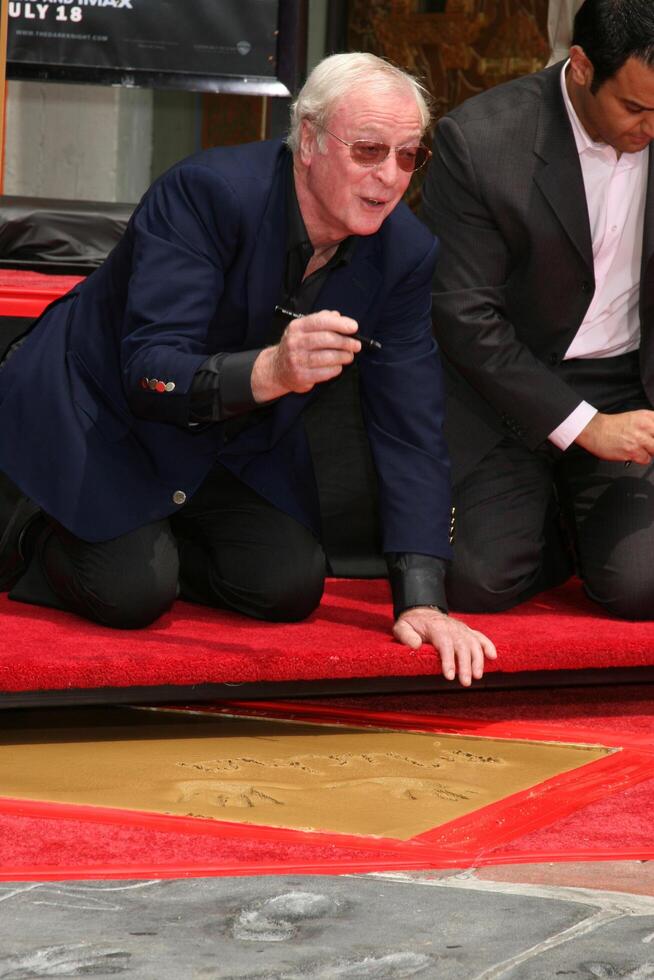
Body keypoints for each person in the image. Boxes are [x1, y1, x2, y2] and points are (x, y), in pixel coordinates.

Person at [0, 53, 496, 685]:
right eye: (369, 151)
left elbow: (411, 422)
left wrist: (423, 595)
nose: (391, 177)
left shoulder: (405, 252)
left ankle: (150, 534)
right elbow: (149, 366)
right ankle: (38, 528)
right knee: (132, 593)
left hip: (228, 443)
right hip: (103, 410)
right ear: (310, 140)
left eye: (408, 155)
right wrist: (270, 373)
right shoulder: (208, 193)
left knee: (287, 585)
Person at [419, 0, 654, 620]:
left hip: (627, 382)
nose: (651, 126)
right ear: (580, 67)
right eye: (634, 108)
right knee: (478, 584)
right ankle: (558, 521)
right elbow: (463, 317)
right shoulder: (480, 140)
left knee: (641, 587)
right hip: (506, 390)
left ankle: (592, 523)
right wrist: (583, 427)